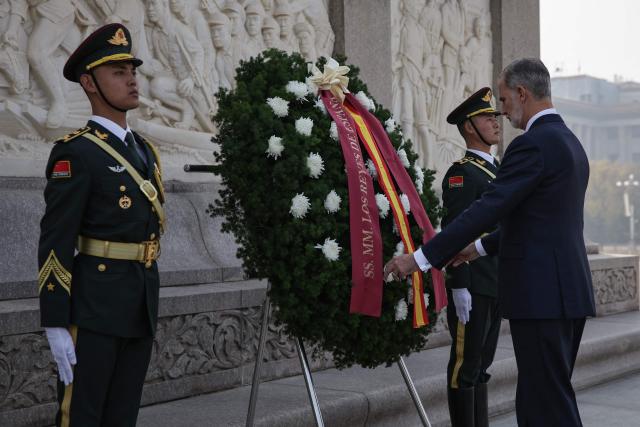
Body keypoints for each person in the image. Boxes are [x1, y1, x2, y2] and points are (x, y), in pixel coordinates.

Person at [384, 58, 595, 426]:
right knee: (550, 398)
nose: (502, 109)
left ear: (522, 93)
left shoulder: (532, 145)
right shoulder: (569, 142)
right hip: (566, 294)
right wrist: (477, 248)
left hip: (542, 298)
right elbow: (538, 223)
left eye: (503, 98)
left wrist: (419, 259)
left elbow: (486, 209)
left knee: (542, 406)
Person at [38, 23, 166, 426]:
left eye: (133, 72)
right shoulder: (75, 153)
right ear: (89, 83)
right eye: (118, 73)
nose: (131, 81)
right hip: (93, 307)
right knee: (82, 417)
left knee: (121, 417)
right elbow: (55, 240)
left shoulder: (145, 151)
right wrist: (56, 321)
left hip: (139, 299)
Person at [443, 87, 501, 427]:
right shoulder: (462, 175)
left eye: (495, 115)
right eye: (486, 117)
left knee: (482, 365)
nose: (495, 122)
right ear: (469, 127)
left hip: (495, 282)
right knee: (464, 367)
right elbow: (455, 232)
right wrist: (458, 286)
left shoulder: (497, 169)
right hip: (474, 284)